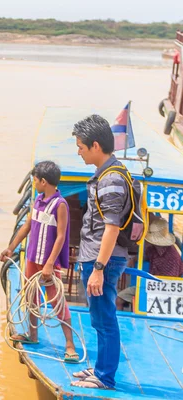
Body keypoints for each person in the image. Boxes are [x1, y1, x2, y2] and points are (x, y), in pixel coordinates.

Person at [70, 115, 132, 390]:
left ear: (96, 145)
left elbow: (111, 228)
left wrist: (97, 268)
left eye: (81, 146)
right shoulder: (110, 174)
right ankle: (99, 368)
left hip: (101, 259)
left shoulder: (111, 181)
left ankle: (105, 376)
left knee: (105, 318)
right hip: (98, 256)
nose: (78, 151)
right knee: (99, 317)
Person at [0, 161, 78, 363]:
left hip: (47, 262)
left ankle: (70, 345)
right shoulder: (37, 200)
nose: (34, 183)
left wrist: (51, 263)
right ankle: (32, 335)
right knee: (30, 296)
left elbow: (61, 236)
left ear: (43, 181)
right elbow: (27, 226)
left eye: (35, 180)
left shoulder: (60, 205)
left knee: (56, 301)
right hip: (32, 258)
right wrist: (11, 247)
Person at [117, 217, 183, 310]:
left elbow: (171, 282)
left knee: (121, 300)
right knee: (119, 298)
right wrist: (132, 260)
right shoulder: (153, 249)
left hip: (163, 292)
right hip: (148, 286)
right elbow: (145, 256)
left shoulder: (172, 257)